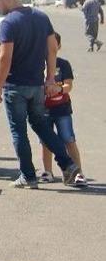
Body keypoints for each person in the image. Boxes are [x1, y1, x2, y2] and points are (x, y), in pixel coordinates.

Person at [0, 0, 82, 189]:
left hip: (15, 86)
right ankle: (67, 164)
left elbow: (5, 57)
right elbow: (52, 50)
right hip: (37, 85)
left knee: (18, 131)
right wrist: (50, 78)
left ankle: (28, 176)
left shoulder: (9, 23)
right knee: (41, 125)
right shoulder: (41, 17)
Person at [39, 33, 88, 186]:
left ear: (58, 46)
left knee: (68, 139)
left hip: (62, 109)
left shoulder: (63, 64)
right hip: (43, 109)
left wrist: (57, 89)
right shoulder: (38, 65)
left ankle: (78, 173)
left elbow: (68, 85)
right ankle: (48, 171)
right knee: (46, 141)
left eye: (53, 45)